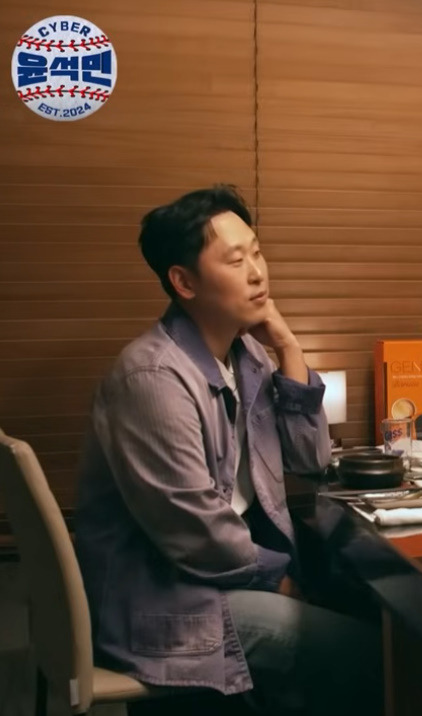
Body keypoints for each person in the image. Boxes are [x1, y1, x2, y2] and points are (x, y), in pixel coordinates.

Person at [73, 185, 383, 715]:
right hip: (167, 602)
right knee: (374, 655)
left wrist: (288, 346)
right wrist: (277, 578)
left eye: (258, 253)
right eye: (236, 261)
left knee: (375, 615)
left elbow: (311, 460)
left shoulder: (248, 355)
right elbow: (195, 531)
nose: (258, 273)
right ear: (184, 282)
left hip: (222, 577)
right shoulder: (153, 378)